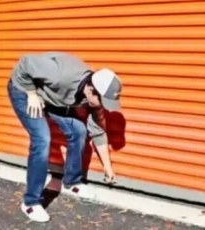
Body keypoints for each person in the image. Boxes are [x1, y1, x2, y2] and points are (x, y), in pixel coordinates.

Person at [7, 52, 122, 222]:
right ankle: (30, 202)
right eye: (103, 101)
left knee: (79, 130)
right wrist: (32, 94)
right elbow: (25, 62)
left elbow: (98, 131)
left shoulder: (92, 98)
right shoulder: (61, 76)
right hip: (24, 90)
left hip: (51, 97)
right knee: (42, 139)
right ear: (91, 90)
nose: (104, 107)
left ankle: (72, 182)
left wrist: (108, 168)